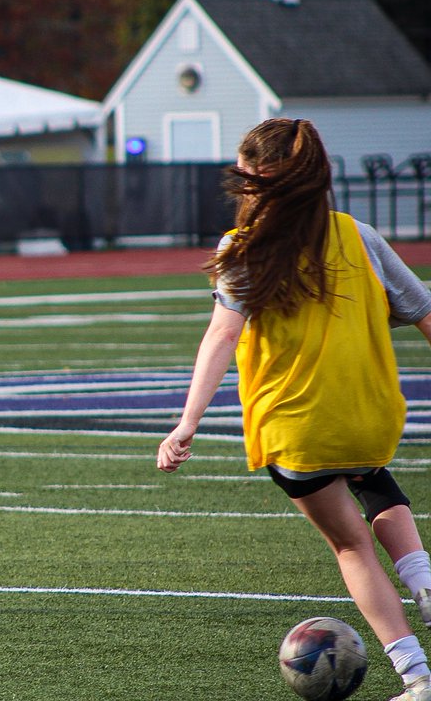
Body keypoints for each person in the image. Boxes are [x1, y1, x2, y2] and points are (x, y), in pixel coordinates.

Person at [156, 118, 431, 701]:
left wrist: (187, 423)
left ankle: (416, 676)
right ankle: (423, 577)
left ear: (253, 181)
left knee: (352, 545)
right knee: (373, 478)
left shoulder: (243, 249)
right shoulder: (359, 235)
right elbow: (426, 314)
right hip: (372, 415)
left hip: (298, 429)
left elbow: (222, 338)